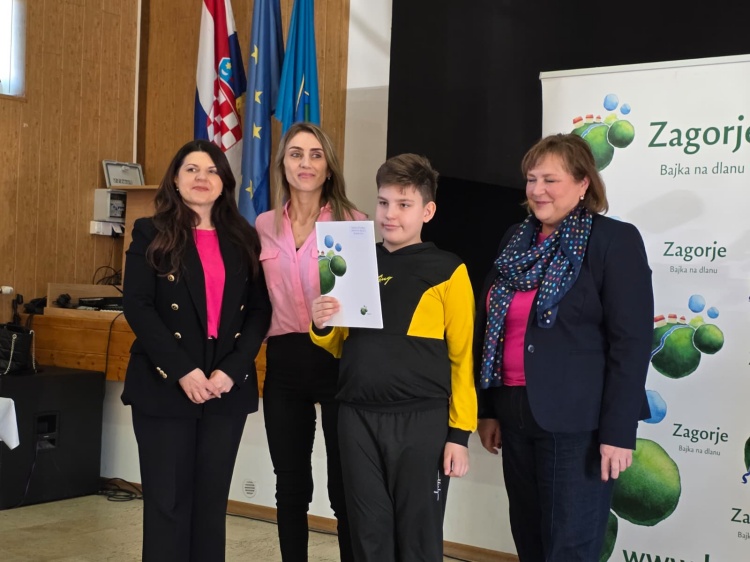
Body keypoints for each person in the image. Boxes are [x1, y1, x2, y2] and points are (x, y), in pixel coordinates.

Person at [475, 133, 653, 561]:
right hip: (515, 413)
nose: (537, 190)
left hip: (579, 426)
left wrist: (618, 433)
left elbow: (631, 344)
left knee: (570, 548)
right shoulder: (515, 240)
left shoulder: (613, 240)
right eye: (531, 179)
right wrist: (489, 409)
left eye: (550, 180)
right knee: (530, 541)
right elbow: (494, 330)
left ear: (582, 183)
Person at [310, 153, 477, 561]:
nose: (390, 214)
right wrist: (322, 324)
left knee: (417, 538)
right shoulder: (353, 260)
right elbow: (340, 344)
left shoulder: (448, 270)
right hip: (356, 418)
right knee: (368, 534)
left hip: (421, 422)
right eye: (384, 202)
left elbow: (463, 359)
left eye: (404, 204)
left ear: (427, 211)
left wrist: (459, 436)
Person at [121, 139, 271, 562]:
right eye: (191, 169)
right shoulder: (150, 232)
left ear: (225, 182)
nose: (202, 178)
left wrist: (233, 370)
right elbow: (137, 305)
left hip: (225, 385)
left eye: (211, 170)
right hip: (165, 382)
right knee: (167, 504)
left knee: (210, 505)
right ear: (175, 179)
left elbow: (259, 310)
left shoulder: (244, 237)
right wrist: (183, 371)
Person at [254, 122, 365, 562]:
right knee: (290, 485)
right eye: (296, 154)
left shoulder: (352, 223)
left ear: (329, 167)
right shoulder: (263, 225)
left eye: (316, 154)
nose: (306, 163)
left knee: (344, 486)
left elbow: (361, 307)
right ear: (283, 164)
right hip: (283, 362)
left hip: (338, 360)